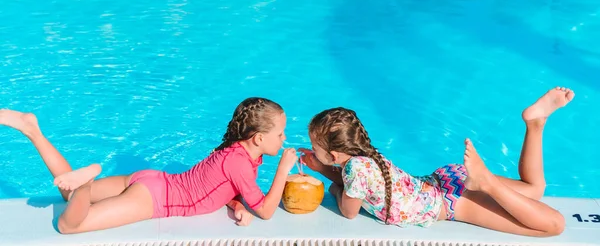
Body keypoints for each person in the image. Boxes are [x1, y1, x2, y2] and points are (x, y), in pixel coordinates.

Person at [300, 87, 572, 237]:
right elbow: (357, 186)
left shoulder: (354, 172)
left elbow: (348, 209)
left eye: (315, 147)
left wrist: (333, 189)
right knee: (534, 189)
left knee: (551, 227)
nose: (312, 150)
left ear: (335, 155)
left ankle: (486, 183)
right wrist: (322, 168)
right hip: (445, 179)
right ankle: (535, 124)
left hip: (452, 202)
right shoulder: (364, 157)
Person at [0, 97, 298, 234]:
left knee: (68, 196)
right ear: (258, 138)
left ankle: (31, 129)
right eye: (280, 134)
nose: (284, 140)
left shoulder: (236, 152)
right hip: (154, 199)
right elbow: (267, 212)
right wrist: (283, 170)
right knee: (68, 225)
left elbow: (218, 187)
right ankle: (86, 182)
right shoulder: (242, 164)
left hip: (153, 180)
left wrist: (235, 204)